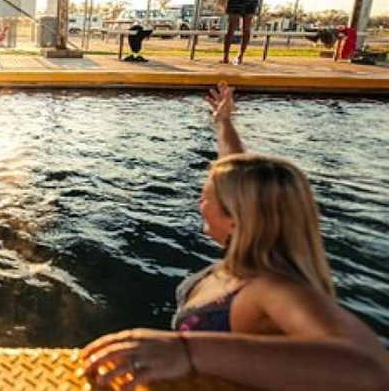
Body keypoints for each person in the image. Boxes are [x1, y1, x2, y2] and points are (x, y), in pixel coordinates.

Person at [80, 82, 389, 391]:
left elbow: (370, 368)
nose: (199, 205)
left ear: (237, 219)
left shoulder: (273, 287)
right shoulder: (248, 260)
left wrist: (186, 351)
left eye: (205, 199)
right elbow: (239, 174)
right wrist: (224, 123)